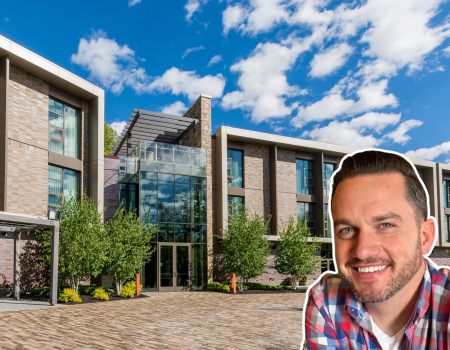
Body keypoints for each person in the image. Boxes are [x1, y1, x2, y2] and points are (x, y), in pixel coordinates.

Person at [302, 149, 450, 350]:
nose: (362, 251)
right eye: (347, 229)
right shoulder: (326, 301)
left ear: (425, 237)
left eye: (386, 225)